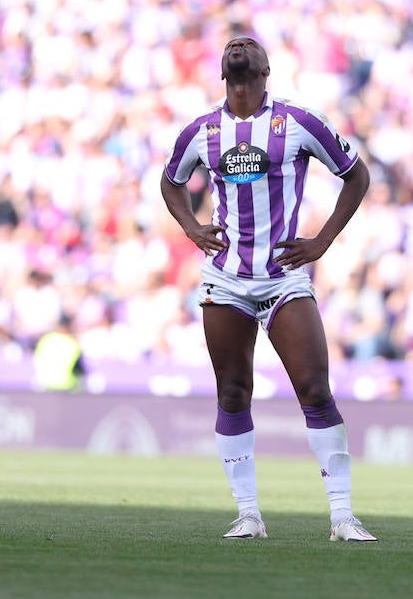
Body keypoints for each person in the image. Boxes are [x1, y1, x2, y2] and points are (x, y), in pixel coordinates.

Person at [160, 36, 378, 542]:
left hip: (283, 276)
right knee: (233, 392)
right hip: (226, 278)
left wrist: (322, 240)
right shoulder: (201, 131)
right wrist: (192, 227)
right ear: (223, 72)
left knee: (315, 390)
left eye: (248, 45)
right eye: (232, 45)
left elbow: (356, 174)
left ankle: (343, 517)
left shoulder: (298, 122)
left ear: (265, 69)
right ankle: (248, 515)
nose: (238, 44)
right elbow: (171, 182)